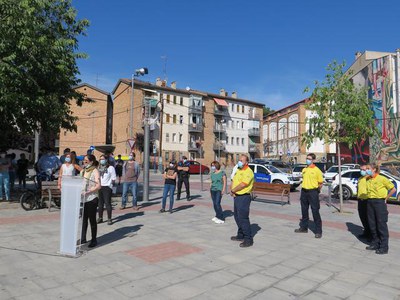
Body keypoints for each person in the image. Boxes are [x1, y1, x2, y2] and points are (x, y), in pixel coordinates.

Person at [365, 163, 396, 254]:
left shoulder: (382, 178)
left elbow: (393, 189)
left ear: (374, 169)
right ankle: (375, 243)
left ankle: (384, 247)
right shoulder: (368, 179)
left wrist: (386, 198)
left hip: (379, 203)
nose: (366, 170)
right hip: (370, 202)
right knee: (372, 224)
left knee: (381, 225)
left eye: (368, 168)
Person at [294, 153, 324, 238]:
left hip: (313, 192)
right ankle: (304, 227)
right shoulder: (304, 169)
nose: (307, 160)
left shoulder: (317, 170)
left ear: (313, 160)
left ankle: (318, 231)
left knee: (315, 211)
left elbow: (320, 183)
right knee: (304, 210)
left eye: (309, 159)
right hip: (304, 191)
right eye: (307, 158)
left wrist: (317, 191)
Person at [230, 154, 254, 248]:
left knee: (243, 218)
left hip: (244, 197)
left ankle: (248, 239)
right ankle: (240, 235)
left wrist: (233, 190)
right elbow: (234, 181)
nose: (239, 162)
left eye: (242, 160)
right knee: (237, 216)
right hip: (237, 196)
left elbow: (243, 184)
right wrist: (232, 190)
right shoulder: (239, 170)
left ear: (246, 162)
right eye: (239, 160)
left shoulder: (248, 171)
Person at [80, 155, 101, 248]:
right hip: (84, 198)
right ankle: (83, 238)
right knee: (84, 220)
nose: (84, 162)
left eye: (86, 161)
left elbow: (98, 186)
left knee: (92, 220)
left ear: (91, 162)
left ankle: (94, 239)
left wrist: (89, 191)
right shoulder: (83, 171)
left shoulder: (95, 171)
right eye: (83, 161)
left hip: (92, 198)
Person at [97, 155, 116, 225]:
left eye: (103, 159)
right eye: (100, 159)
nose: (101, 160)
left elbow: (113, 179)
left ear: (106, 160)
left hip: (107, 187)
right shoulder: (98, 168)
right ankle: (100, 218)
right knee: (100, 204)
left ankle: (109, 218)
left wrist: (111, 188)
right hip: (100, 187)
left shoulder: (111, 168)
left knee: (107, 203)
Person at [357, 164, 371, 240]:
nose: (362, 171)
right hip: (360, 200)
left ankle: (371, 235)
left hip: (367, 200)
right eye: (361, 169)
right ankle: (366, 232)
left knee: (369, 218)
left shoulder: (369, 178)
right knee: (362, 217)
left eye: (364, 170)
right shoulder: (360, 178)